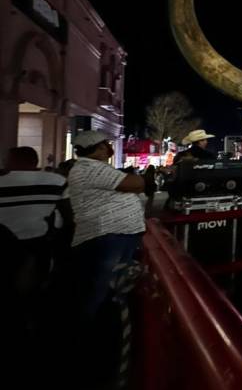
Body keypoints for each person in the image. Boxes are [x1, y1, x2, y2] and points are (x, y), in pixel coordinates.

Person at [66, 131, 146, 322]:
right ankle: (95, 328)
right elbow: (136, 183)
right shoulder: (91, 168)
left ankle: (103, 322)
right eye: (106, 144)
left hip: (112, 235)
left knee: (109, 284)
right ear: (99, 147)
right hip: (108, 236)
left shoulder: (92, 168)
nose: (109, 147)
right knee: (104, 286)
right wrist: (136, 182)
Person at [0, 146, 72, 329]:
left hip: (4, 243)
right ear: (35, 161)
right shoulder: (56, 181)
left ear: (11, 161)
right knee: (34, 290)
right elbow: (70, 214)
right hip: (38, 242)